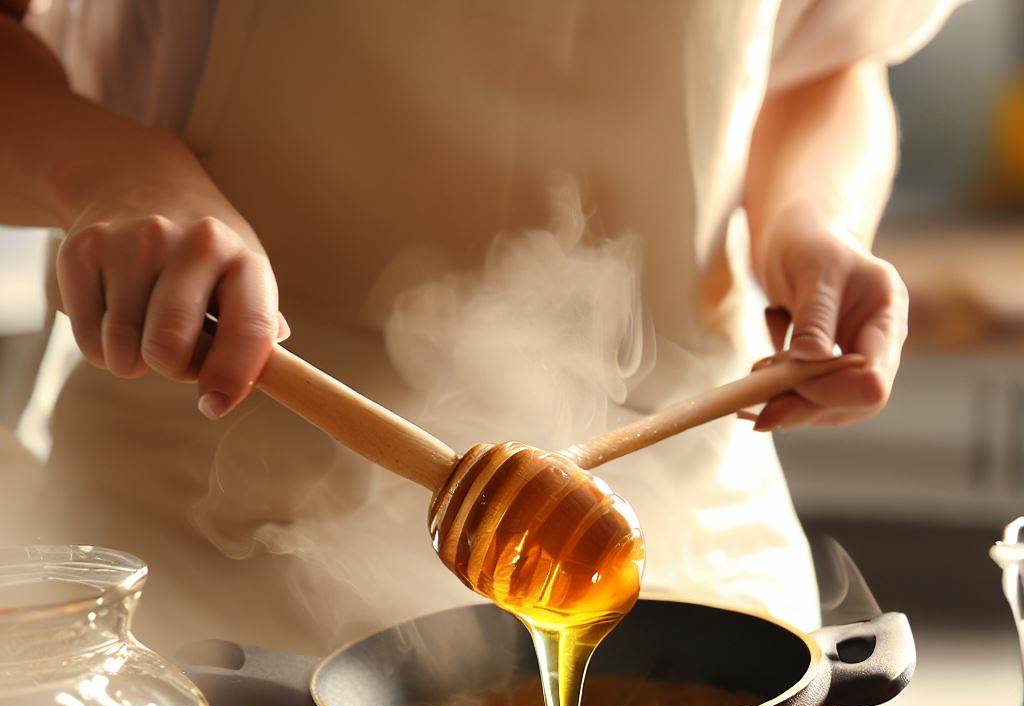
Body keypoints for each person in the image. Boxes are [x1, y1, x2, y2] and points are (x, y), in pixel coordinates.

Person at [0, 0, 961, 655]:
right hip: (194, 524)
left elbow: (826, 59)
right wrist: (118, 175)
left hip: (686, 520)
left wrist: (812, 225)